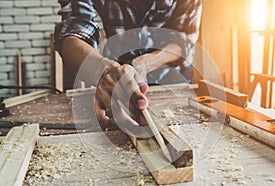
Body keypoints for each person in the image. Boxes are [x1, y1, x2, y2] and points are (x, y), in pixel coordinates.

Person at [54, 0, 202, 131]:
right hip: (117, 77)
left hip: (172, 81)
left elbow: (183, 41)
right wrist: (103, 71)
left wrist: (140, 64)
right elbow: (73, 33)